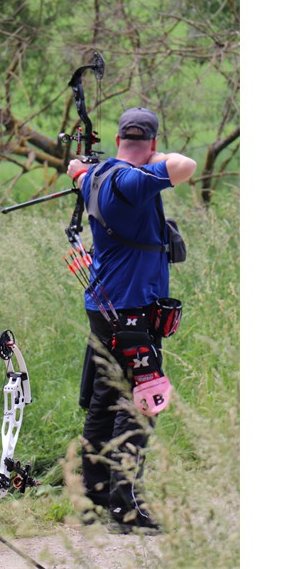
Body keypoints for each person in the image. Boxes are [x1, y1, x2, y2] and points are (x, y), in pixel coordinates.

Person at [66, 106, 196, 532]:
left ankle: (93, 499)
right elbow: (185, 165)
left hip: (104, 305)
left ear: (119, 139)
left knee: (104, 400)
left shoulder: (95, 175)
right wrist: (151, 158)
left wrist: (80, 168)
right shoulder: (130, 179)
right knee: (142, 401)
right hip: (131, 309)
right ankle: (124, 506)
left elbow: (76, 171)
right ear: (153, 142)